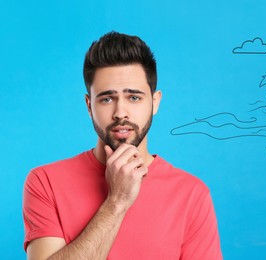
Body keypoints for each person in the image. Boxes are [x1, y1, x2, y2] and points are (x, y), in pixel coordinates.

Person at [23, 31, 223, 259]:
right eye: (107, 99)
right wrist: (116, 203)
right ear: (89, 106)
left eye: (134, 97)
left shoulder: (192, 194)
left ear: (155, 102)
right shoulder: (45, 182)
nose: (120, 113)